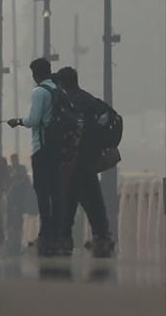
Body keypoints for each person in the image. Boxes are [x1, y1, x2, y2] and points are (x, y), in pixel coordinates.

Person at [52, 66, 114, 257]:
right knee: (91, 199)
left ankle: (64, 237)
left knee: (70, 199)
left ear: (62, 83)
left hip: (74, 159)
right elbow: (109, 116)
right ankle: (101, 237)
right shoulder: (90, 100)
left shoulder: (70, 102)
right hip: (88, 159)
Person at [7, 57, 60, 255]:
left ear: (36, 74)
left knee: (43, 193)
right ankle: (58, 234)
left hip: (42, 149)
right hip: (58, 150)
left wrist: (18, 121)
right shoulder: (58, 90)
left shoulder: (39, 92)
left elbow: (34, 120)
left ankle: (45, 234)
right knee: (56, 192)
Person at [4, 155, 36, 255]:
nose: (15, 161)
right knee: (11, 220)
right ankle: (11, 240)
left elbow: (24, 180)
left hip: (19, 199)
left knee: (17, 220)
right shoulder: (10, 169)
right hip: (11, 198)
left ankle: (16, 241)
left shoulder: (21, 169)